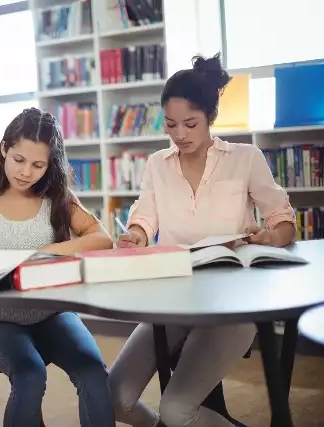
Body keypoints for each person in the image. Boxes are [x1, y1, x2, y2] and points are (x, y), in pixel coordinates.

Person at [108, 53, 296, 427]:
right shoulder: (156, 165)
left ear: (210, 117)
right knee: (114, 396)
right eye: (171, 125)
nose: (180, 135)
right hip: (174, 299)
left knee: (177, 409)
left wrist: (272, 236)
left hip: (233, 303)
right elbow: (143, 220)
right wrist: (135, 235)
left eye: (190, 124)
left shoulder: (245, 158)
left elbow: (283, 219)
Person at [0, 107, 115, 427]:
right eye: (18, 160)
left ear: (50, 165)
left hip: (52, 312)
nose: (26, 172)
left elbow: (101, 238)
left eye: (38, 165)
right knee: (31, 375)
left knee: (94, 373)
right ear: (4, 149)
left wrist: (42, 252)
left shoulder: (58, 195)